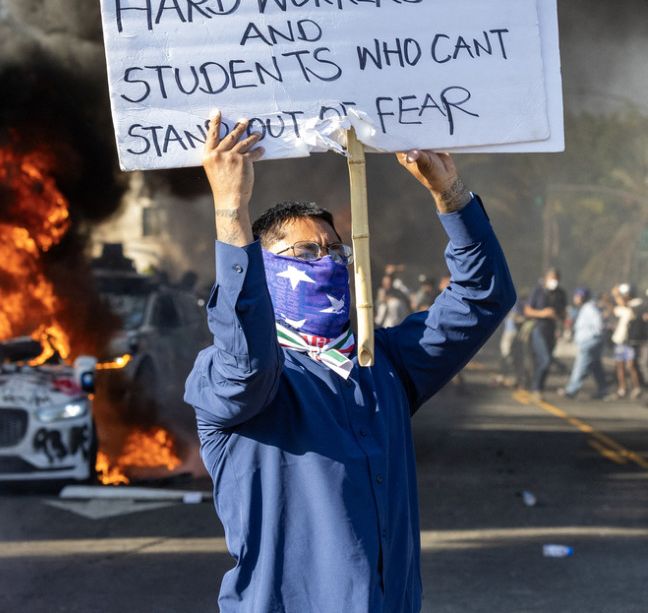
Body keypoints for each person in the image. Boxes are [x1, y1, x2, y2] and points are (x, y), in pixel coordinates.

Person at [184, 112, 515, 613]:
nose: (328, 260)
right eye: (305, 251)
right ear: (264, 271)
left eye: (335, 250)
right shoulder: (231, 377)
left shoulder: (385, 364)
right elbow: (246, 360)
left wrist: (450, 193)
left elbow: (482, 298)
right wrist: (231, 209)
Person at [558, 287, 609, 399]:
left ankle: (571, 390)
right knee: (596, 367)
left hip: (589, 342)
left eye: (577, 296)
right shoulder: (585, 308)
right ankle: (604, 390)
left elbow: (599, 325)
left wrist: (591, 337)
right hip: (590, 341)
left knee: (580, 366)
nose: (575, 299)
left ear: (583, 297)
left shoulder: (589, 308)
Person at [524, 267, 566, 401]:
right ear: (547, 278)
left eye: (557, 279)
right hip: (538, 328)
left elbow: (564, 313)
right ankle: (536, 388)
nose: (555, 281)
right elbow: (528, 311)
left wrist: (558, 318)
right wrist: (543, 313)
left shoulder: (560, 293)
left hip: (552, 330)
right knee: (545, 359)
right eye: (553, 278)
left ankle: (538, 388)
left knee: (546, 361)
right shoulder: (537, 291)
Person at [610, 284, 644, 399]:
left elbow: (626, 305)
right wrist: (606, 301)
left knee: (632, 364)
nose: (625, 297)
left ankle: (637, 387)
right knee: (620, 365)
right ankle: (622, 388)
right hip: (621, 340)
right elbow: (615, 310)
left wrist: (616, 295)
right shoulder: (622, 307)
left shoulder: (637, 303)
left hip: (631, 341)